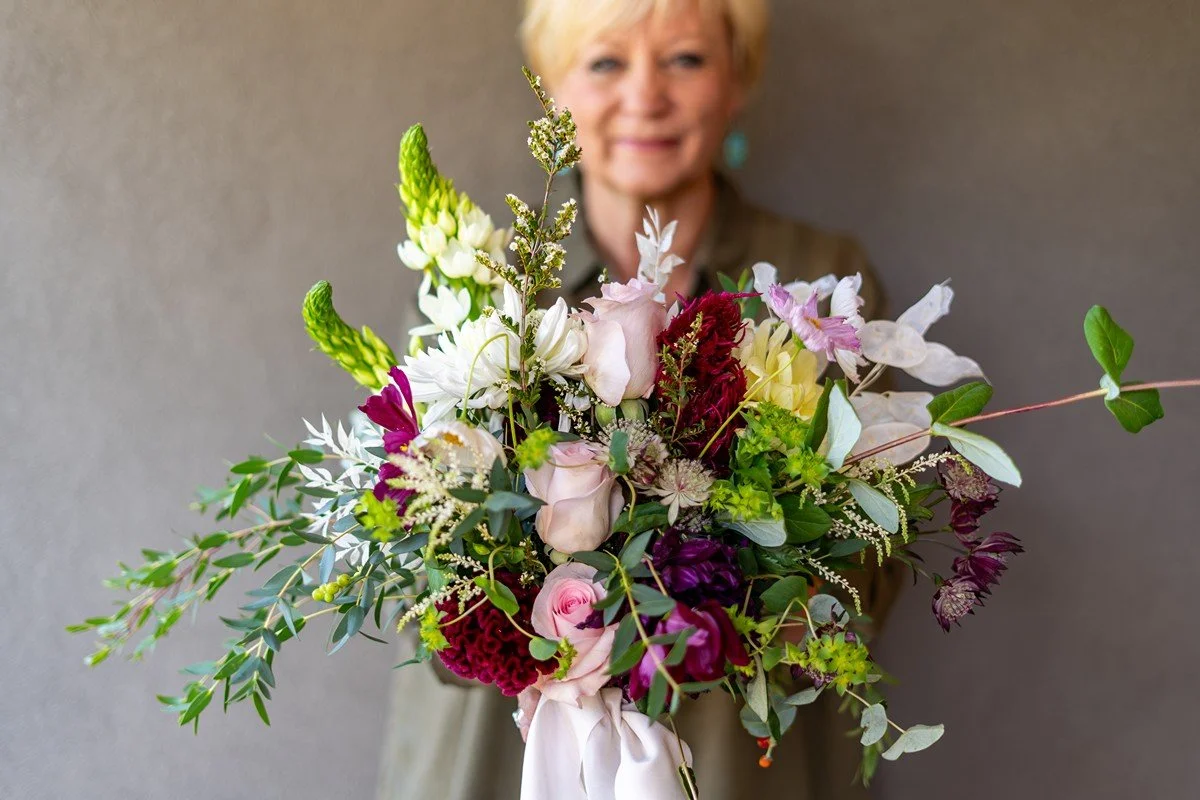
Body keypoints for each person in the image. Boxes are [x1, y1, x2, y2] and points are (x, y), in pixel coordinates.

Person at [376, 1, 906, 797]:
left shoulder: (817, 275)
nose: (645, 95)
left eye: (685, 60)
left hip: (739, 757)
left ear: (738, 79)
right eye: (604, 62)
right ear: (552, 88)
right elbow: (408, 569)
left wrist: (745, 585)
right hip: (504, 757)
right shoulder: (474, 289)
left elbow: (877, 553)